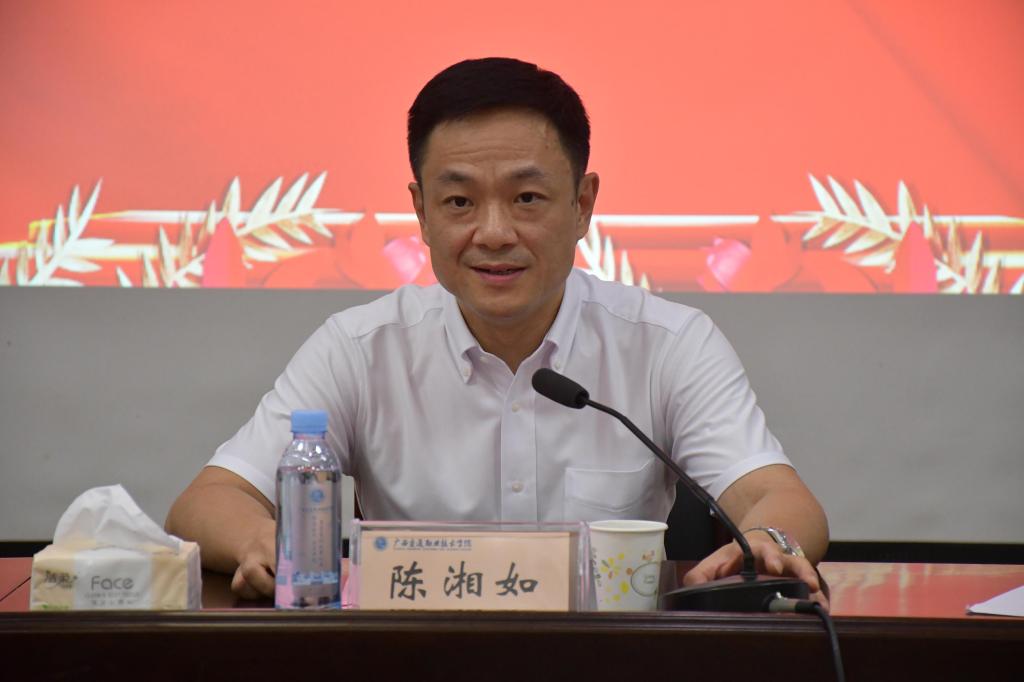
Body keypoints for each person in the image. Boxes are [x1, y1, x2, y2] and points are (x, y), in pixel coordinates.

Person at [166, 57, 829, 604]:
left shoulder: (668, 343)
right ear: (421, 213)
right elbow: (209, 500)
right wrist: (260, 539)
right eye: (459, 201)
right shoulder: (361, 348)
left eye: (526, 198)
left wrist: (770, 539)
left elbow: (775, 495)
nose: (493, 233)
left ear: (583, 205)